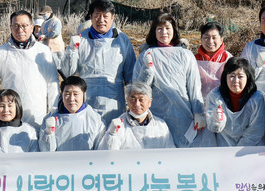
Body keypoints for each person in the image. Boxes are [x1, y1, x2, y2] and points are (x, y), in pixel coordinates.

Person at [133, 12, 204, 147]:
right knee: (157, 151)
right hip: (155, 114)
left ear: (174, 30)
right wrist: (147, 69)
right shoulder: (146, 55)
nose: (163, 32)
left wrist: (198, 112)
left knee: (183, 151)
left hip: (182, 115)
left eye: (167, 28)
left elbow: (194, 86)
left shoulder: (186, 55)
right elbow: (137, 89)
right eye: (159, 29)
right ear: (154, 31)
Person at [61, 0, 136, 125]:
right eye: (97, 16)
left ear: (112, 17)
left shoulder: (122, 40)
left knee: (112, 131)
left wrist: (133, 99)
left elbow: (131, 74)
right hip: (86, 98)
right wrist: (71, 51)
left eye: (105, 16)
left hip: (114, 99)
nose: (101, 20)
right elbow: (67, 72)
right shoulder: (81, 40)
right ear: (91, 17)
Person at [0, 10, 60, 127]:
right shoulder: (1, 51)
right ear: (10, 27)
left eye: (24, 25)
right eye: (16, 26)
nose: (20, 30)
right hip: (10, 113)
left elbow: (52, 83)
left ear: (32, 27)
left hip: (36, 112)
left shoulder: (43, 51)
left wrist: (54, 111)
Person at [204, 57, 265, 147]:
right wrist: (216, 120)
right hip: (223, 145)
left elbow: (256, 130)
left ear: (248, 77)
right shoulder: (215, 96)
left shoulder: (257, 98)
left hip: (250, 147)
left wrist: (238, 149)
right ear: (225, 77)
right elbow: (213, 128)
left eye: (240, 77)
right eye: (232, 76)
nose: (236, 81)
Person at [96, 82, 174, 150]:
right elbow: (107, 154)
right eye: (132, 99)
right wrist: (111, 135)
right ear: (127, 100)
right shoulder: (119, 126)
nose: (137, 104)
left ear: (150, 102)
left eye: (141, 99)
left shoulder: (161, 126)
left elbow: (170, 152)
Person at [39, 76, 105, 152]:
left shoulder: (95, 119)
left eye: (76, 94)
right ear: (62, 95)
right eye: (67, 94)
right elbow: (45, 152)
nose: (71, 99)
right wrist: (48, 133)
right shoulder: (51, 119)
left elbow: (102, 151)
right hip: (60, 160)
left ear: (84, 95)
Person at [195, 21, 233, 99]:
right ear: (201, 39)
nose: (210, 41)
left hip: (222, 102)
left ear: (221, 39)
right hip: (198, 101)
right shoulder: (194, 59)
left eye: (214, 37)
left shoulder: (228, 58)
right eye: (206, 37)